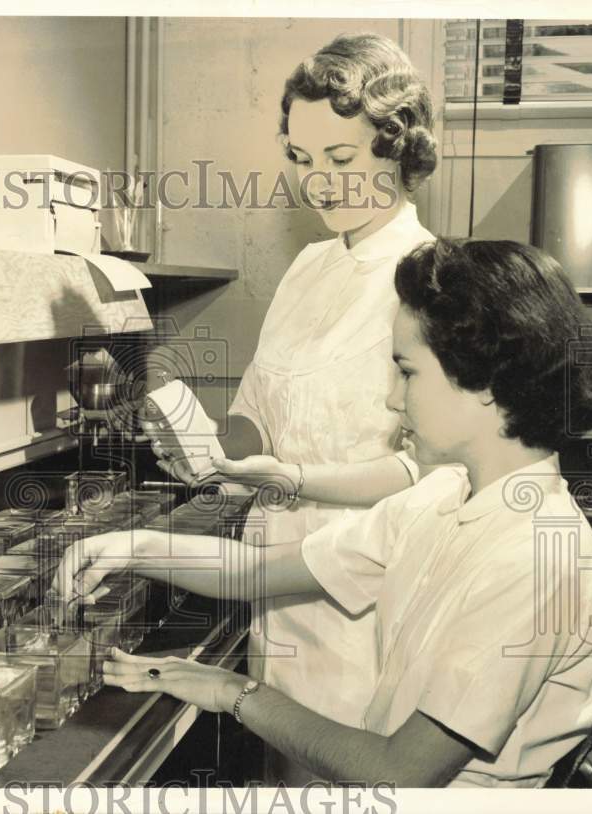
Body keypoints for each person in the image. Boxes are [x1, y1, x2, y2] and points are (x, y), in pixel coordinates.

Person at [58, 239, 592, 788]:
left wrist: (232, 691)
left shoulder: (533, 561)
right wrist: (133, 546)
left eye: (407, 371)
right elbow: (256, 571)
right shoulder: (442, 497)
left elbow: (398, 772)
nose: (392, 399)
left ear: (486, 382)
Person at [145, 32, 439, 780]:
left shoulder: (430, 277)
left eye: (341, 160)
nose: (320, 184)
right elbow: (260, 413)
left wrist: (291, 477)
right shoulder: (309, 266)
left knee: (353, 771)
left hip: (368, 594)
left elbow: (427, 468)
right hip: (277, 585)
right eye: (302, 160)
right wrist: (204, 446)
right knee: (288, 768)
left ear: (396, 146)